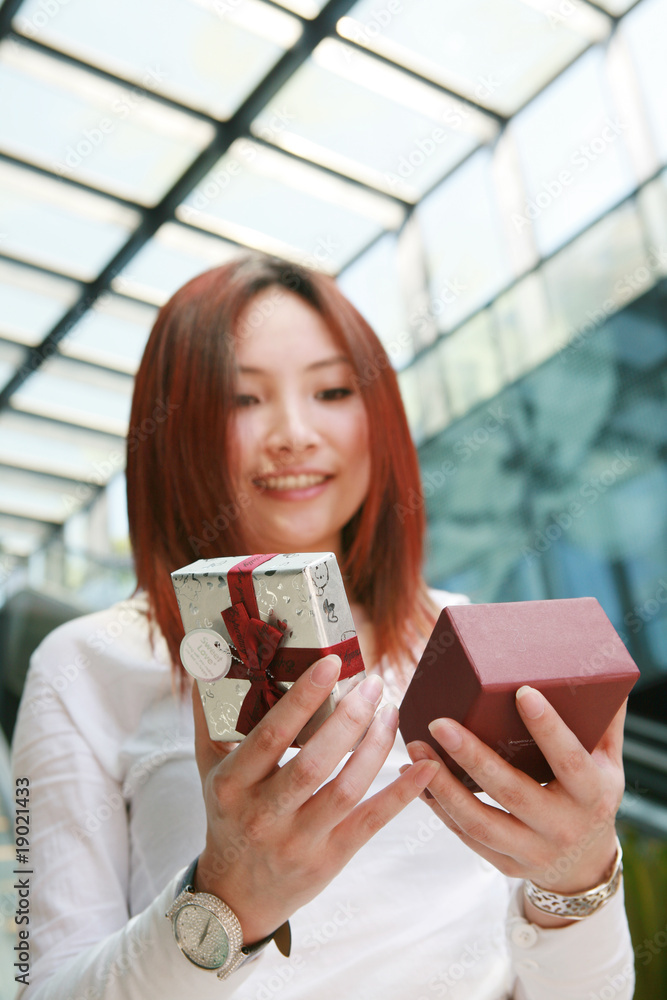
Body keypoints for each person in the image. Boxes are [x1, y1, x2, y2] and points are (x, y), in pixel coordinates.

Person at [12, 253, 635, 1000]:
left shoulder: (472, 639)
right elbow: (39, 986)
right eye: (242, 400)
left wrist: (579, 880)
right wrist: (225, 901)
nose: (294, 433)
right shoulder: (85, 663)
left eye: (333, 390)